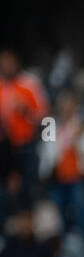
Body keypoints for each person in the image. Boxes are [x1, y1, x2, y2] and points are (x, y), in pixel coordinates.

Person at [37, 91, 84, 235]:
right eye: (63, 106)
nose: (66, 110)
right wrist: (45, 172)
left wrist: (79, 138)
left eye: (69, 106)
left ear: (76, 107)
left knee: (82, 213)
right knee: (59, 218)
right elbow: (45, 153)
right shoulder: (52, 126)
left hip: (79, 178)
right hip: (58, 180)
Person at [0, 47, 47, 190]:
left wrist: (26, 110)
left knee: (29, 187)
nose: (7, 66)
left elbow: (45, 117)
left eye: (10, 62)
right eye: (3, 63)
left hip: (27, 145)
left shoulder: (30, 84)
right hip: (4, 147)